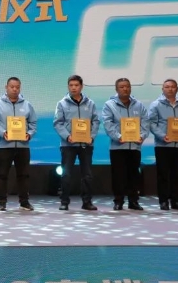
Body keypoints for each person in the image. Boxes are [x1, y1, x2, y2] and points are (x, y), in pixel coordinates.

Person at [0, 77, 37, 211]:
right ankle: (2, 202)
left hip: (23, 147)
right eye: (12, 87)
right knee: (2, 175)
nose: (15, 89)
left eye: (17, 87)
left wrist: (29, 134)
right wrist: (3, 133)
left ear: (20, 88)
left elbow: (33, 123)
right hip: (4, 146)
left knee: (24, 175)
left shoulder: (27, 105)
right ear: (6, 87)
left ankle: (24, 202)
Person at [53, 75, 100, 211]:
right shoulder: (62, 103)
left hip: (86, 144)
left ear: (81, 86)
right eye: (71, 85)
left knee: (87, 175)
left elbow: (96, 121)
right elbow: (57, 123)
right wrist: (67, 136)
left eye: (76, 85)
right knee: (66, 174)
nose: (73, 88)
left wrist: (92, 136)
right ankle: (64, 202)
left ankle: (87, 202)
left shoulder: (90, 104)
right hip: (68, 145)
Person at [102, 77, 149, 211]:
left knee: (134, 175)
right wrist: (118, 137)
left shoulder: (139, 105)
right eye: (122, 87)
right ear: (116, 89)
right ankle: (118, 201)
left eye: (127, 86)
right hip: (118, 147)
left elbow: (145, 122)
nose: (125, 89)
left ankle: (133, 201)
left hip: (135, 146)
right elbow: (108, 124)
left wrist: (142, 136)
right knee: (118, 176)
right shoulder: (109, 105)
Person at [148, 79, 178, 211]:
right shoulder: (156, 104)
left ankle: (176, 201)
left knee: (177, 174)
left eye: (172, 87)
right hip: (163, 145)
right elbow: (151, 123)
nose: (170, 89)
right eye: (167, 87)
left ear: (177, 89)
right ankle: (163, 201)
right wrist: (162, 136)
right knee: (163, 174)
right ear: (162, 89)